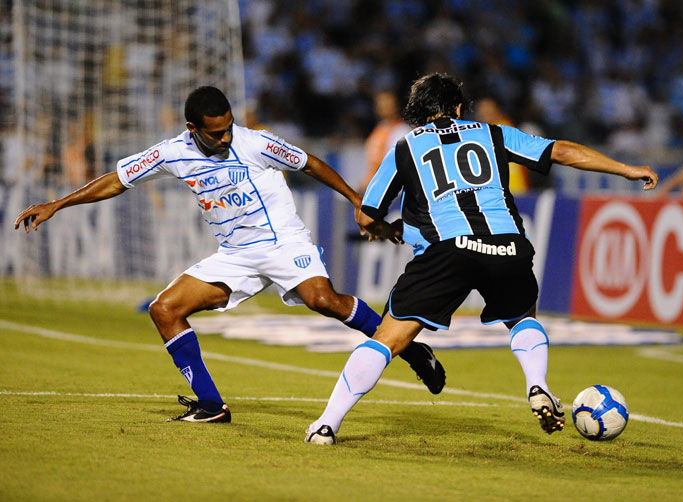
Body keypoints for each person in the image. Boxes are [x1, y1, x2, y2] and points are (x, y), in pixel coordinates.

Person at [14, 86, 446, 423]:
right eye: (215, 132)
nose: (225, 137)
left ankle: (410, 351)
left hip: (282, 242)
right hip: (235, 254)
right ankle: (210, 405)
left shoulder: (256, 143)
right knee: (164, 309)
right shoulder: (172, 153)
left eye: (229, 127)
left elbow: (310, 163)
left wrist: (358, 203)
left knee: (324, 301)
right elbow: (115, 180)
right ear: (192, 127)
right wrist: (58, 203)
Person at [305, 73, 658, 445]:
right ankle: (537, 384)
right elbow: (561, 152)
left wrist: (384, 228)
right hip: (507, 244)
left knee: (387, 339)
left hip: (447, 250)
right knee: (522, 316)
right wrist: (626, 169)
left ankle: (327, 425)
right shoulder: (493, 132)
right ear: (458, 107)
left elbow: (366, 214)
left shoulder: (405, 147)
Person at [359, 90, 412, 192]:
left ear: (396, 105)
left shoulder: (401, 130)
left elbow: (395, 164)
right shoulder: (379, 128)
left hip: (390, 189)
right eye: (379, 103)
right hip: (375, 185)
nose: (382, 106)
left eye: (386, 103)